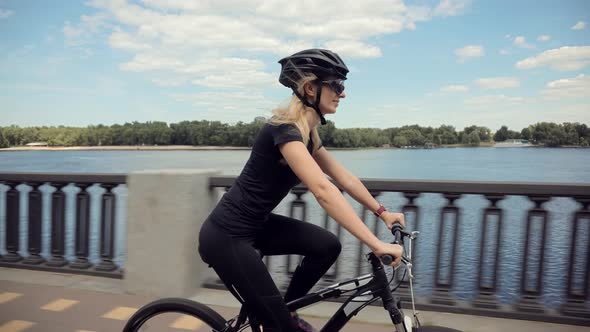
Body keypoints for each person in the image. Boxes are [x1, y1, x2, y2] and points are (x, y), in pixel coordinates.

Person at [198, 48, 405, 332]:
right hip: (226, 236)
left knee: (326, 246)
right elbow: (322, 189)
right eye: (336, 85)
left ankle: (289, 311)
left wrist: (383, 212)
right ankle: (283, 323)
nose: (342, 93)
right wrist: (376, 244)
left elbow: (342, 177)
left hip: (254, 227)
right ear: (310, 88)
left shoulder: (307, 136)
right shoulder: (284, 130)